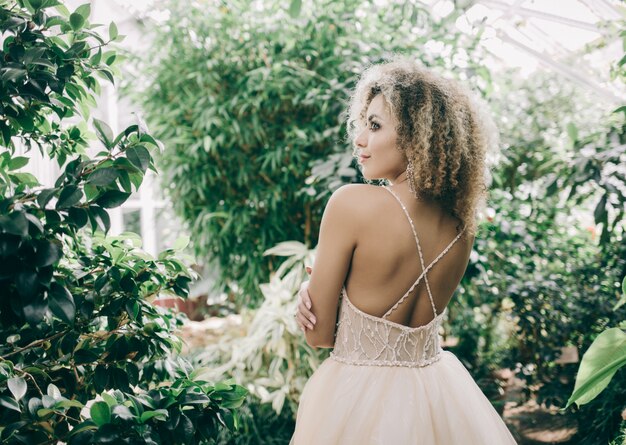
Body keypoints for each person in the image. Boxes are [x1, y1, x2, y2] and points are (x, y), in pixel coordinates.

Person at [290, 58, 517, 444]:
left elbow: (319, 336)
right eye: (362, 123)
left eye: (375, 126)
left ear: (418, 137)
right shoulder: (461, 227)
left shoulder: (351, 205)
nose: (359, 138)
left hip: (354, 402)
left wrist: (308, 298)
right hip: (438, 395)